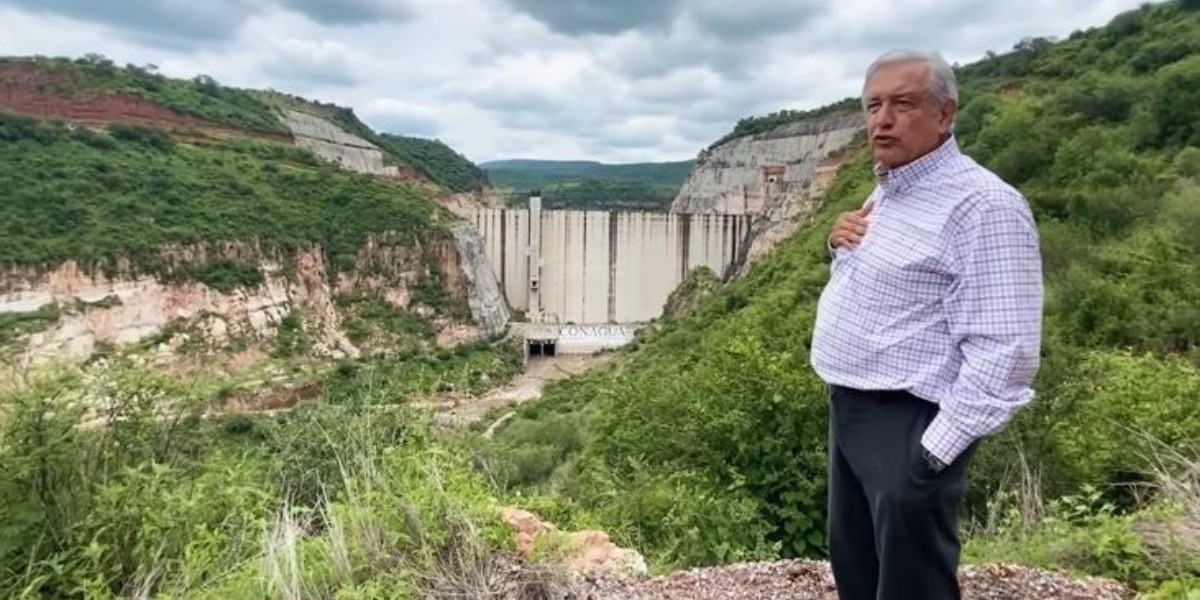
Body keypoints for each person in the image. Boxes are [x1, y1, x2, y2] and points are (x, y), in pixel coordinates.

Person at [809, 49, 1044, 600]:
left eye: (902, 104)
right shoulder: (890, 189)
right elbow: (894, 283)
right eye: (872, 106)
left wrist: (931, 455)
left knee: (913, 584)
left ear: (945, 113)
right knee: (859, 570)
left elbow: (1006, 351)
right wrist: (835, 241)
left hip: (911, 421)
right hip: (852, 411)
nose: (881, 119)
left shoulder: (984, 206)